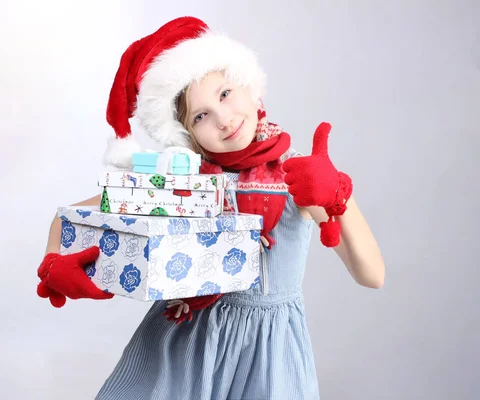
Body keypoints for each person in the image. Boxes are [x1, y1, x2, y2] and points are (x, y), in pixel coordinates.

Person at [36, 16, 385, 399]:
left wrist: (337, 194)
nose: (223, 119)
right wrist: (55, 261)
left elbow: (372, 275)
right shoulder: (181, 183)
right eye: (200, 115)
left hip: (264, 355)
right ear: (186, 132)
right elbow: (73, 215)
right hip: (182, 346)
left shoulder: (298, 175)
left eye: (225, 94)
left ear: (250, 88)